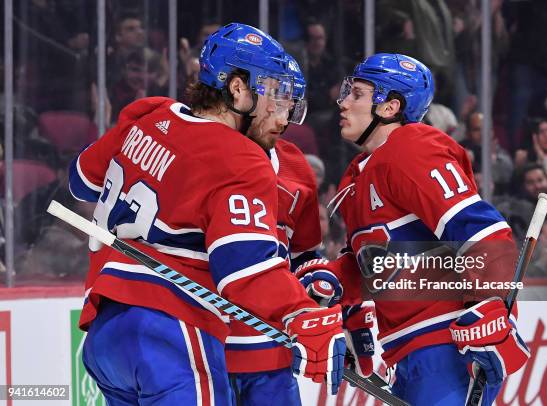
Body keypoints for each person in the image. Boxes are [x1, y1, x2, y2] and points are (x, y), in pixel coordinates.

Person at [68, 23, 346, 405]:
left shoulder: (147, 115)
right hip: (171, 327)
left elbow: (81, 180)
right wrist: (300, 313)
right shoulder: (239, 156)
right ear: (237, 88)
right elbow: (243, 269)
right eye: (275, 97)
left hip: (104, 332)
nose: (282, 117)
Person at [296, 53, 530, 405]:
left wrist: (492, 305)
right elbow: (375, 261)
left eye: (356, 94)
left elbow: (482, 231)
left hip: (448, 346)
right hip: (408, 352)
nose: (342, 102)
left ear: (389, 107)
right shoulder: (361, 173)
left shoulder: (412, 148)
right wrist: (335, 282)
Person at [225, 55, 375, 405]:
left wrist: (328, 294)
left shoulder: (297, 168)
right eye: (275, 106)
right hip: (209, 344)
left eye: (289, 109)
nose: (282, 120)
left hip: (272, 349)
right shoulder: (207, 153)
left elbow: (305, 254)